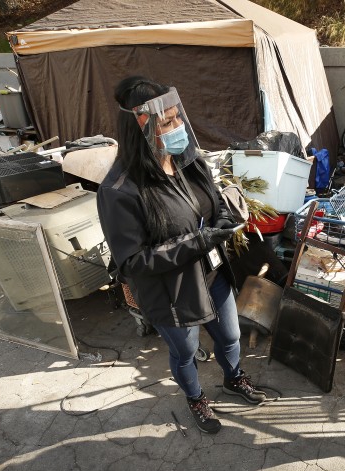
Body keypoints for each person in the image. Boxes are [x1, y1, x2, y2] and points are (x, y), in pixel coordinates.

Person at [97, 76, 266, 434]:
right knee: (186, 351)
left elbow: (212, 200)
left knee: (231, 337)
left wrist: (222, 217)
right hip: (171, 291)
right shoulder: (120, 191)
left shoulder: (187, 160)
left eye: (178, 117)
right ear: (141, 127)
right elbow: (133, 261)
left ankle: (233, 378)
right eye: (168, 122)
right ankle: (195, 397)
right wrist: (201, 241)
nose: (179, 128)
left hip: (212, 274)